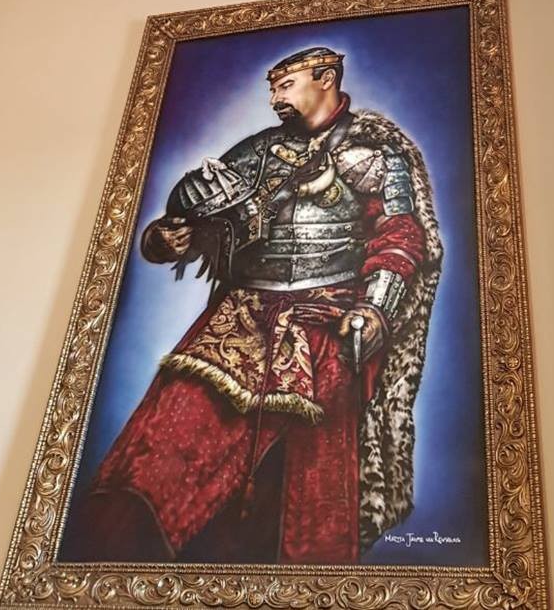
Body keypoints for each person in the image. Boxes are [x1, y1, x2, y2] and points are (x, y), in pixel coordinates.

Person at [62, 47, 442, 564]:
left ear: (326, 78)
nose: (275, 98)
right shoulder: (258, 150)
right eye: (272, 88)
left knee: (303, 474)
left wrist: (375, 309)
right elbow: (205, 221)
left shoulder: (375, 153)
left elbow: (399, 236)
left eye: (286, 85)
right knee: (166, 439)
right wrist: (167, 239)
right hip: (241, 313)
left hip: (328, 318)